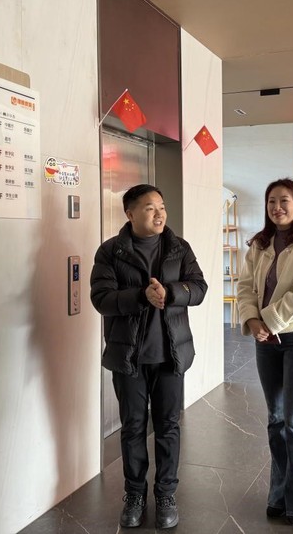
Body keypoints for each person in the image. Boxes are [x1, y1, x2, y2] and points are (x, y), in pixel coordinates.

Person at [90, 184, 207, 529]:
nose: (159, 214)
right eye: (149, 207)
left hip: (171, 355)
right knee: (133, 428)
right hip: (129, 357)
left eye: (162, 206)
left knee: (168, 426)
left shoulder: (179, 248)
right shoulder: (111, 252)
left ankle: (166, 494)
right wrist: (141, 297)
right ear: (130, 213)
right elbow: (102, 299)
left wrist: (171, 293)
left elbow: (199, 288)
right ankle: (135, 495)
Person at [236, 178, 293, 525]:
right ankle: (280, 494)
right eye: (272, 201)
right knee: (275, 420)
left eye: (284, 201)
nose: (277, 207)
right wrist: (252, 320)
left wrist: (269, 321)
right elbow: (245, 286)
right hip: (265, 341)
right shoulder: (259, 244)